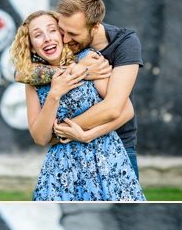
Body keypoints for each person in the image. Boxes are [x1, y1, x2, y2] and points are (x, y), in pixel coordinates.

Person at [10, 10, 144, 201]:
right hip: (61, 166)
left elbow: (125, 110)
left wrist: (84, 134)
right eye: (38, 35)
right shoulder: (32, 80)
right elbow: (40, 138)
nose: (47, 39)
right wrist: (54, 93)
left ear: (62, 35)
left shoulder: (89, 60)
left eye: (52, 30)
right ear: (31, 46)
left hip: (104, 156)